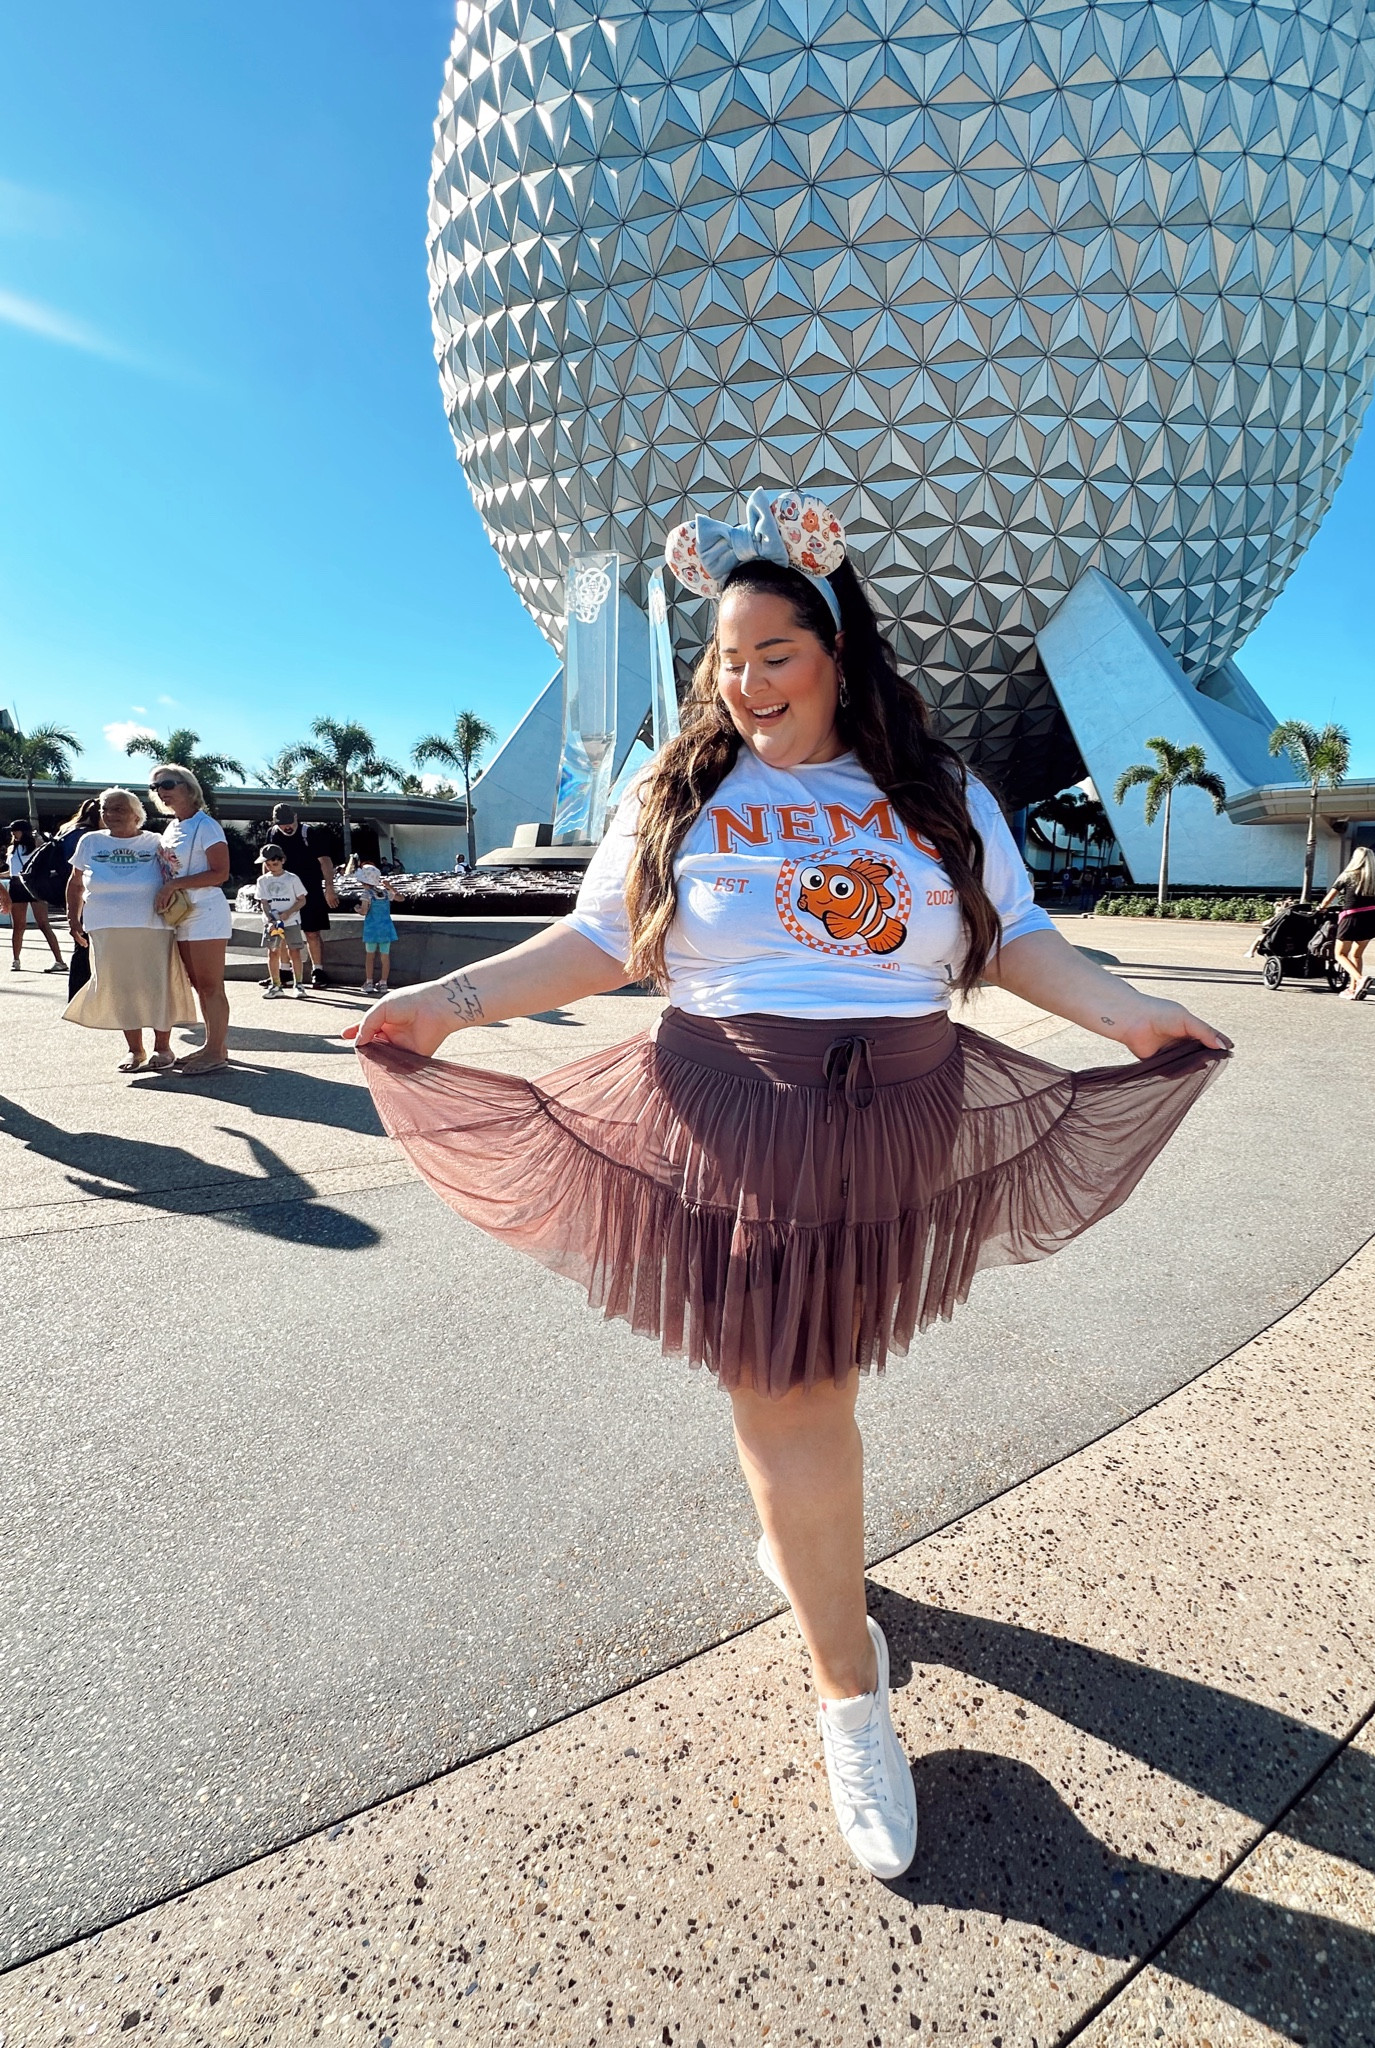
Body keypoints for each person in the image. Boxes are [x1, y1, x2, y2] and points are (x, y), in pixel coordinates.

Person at [349, 488, 1231, 1883]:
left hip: (897, 1113)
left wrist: (1128, 1017)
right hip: (737, 1105)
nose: (746, 682)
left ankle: (804, 1558)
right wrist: (443, 1005)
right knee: (792, 1387)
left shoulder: (934, 793)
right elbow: (594, 947)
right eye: (725, 659)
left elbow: (1014, 946)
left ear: (835, 651)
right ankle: (847, 1696)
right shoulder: (679, 791)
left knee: (818, 1368)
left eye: (773, 651)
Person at [63, 787, 196, 1071]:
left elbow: (177, 875)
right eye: (105, 810)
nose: (110, 815)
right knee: (121, 988)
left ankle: (163, 1047)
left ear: (137, 814)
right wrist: (73, 920)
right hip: (105, 926)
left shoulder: (157, 841)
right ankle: (135, 1050)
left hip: (153, 925)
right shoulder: (90, 841)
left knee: (156, 986)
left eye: (118, 809)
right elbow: (75, 883)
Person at [148, 765, 234, 1074]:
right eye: (156, 786)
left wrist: (173, 885)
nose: (161, 791)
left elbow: (220, 873)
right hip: (181, 914)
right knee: (199, 984)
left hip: (205, 912)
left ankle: (215, 1052)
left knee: (211, 985)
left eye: (168, 783)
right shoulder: (172, 827)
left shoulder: (206, 825)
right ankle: (214, 1045)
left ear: (188, 786)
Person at [267, 803, 339, 987]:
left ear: (296, 817)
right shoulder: (273, 834)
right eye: (282, 824)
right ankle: (284, 971)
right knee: (281, 931)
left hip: (310, 890)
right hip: (282, 891)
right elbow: (268, 860)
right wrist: (267, 886)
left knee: (312, 932)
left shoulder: (309, 833)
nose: (287, 827)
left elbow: (325, 861)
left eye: (289, 822)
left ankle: (318, 971)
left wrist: (329, 888)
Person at [56, 796, 105, 1000]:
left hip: (66, 889)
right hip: (85, 893)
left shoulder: (66, 830)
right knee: (87, 947)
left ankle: (76, 995)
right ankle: (85, 996)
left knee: (80, 946)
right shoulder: (90, 837)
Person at [1317, 846, 1375, 999]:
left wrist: (1321, 908)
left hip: (1352, 918)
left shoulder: (1347, 875)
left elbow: (1329, 898)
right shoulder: (1374, 878)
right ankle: (1353, 990)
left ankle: (1360, 980)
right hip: (1372, 917)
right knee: (1357, 955)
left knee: (1339, 953)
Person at [7, 820, 68, 973]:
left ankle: (59, 960)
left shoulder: (36, 844)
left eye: (16, 830)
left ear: (24, 831)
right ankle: (16, 960)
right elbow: (12, 870)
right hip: (16, 885)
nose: (13, 833)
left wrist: (39, 839)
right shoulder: (11, 849)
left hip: (34, 884)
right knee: (18, 926)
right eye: (12, 831)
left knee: (43, 924)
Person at [255, 842, 310, 998]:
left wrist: (288, 912)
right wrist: (270, 918)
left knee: (295, 952)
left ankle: (299, 984)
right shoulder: (263, 880)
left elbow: (302, 900)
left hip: (291, 921)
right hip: (272, 923)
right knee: (273, 952)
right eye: (269, 864)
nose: (272, 866)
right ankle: (276, 984)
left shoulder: (292, 878)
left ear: (282, 860)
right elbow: (264, 902)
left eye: (275, 863)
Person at [347, 854, 399, 995]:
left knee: (370, 956)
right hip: (386, 929)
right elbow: (401, 898)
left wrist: (357, 909)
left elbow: (364, 911)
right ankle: (383, 983)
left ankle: (369, 981)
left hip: (372, 929)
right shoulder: (385, 892)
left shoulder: (366, 894)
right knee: (385, 956)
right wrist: (391, 887)